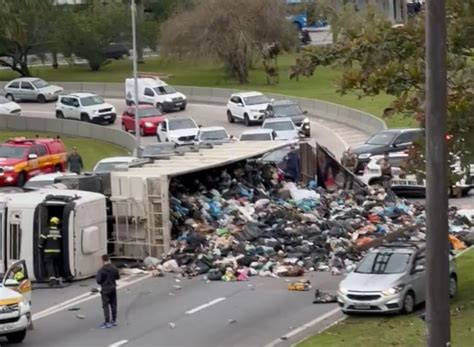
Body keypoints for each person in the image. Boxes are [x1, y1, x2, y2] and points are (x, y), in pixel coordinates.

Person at [96, 254, 120, 329]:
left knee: (105, 306)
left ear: (103, 260)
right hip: (113, 288)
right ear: (109, 259)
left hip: (105, 290)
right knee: (113, 305)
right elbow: (118, 277)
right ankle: (114, 320)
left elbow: (98, 281)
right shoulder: (114, 268)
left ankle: (107, 322)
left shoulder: (101, 270)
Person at [39, 216, 62, 286]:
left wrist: (40, 247)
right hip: (57, 252)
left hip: (48, 252)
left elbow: (41, 241)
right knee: (56, 265)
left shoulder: (46, 230)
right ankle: (58, 279)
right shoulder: (59, 231)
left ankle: (52, 281)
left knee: (49, 265)